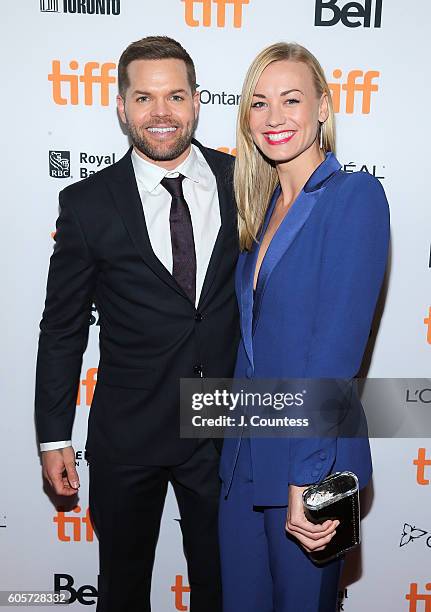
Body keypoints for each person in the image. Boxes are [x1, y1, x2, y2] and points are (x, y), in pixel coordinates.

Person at [35, 36, 239, 612]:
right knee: (122, 592)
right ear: (121, 107)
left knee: (224, 590)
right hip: (128, 433)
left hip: (225, 431)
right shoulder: (88, 204)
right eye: (144, 98)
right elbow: (63, 329)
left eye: (175, 95)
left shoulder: (245, 183)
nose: (161, 113)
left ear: (198, 101)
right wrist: (54, 437)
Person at [218, 42, 390, 611]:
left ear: (322, 107)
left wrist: (308, 476)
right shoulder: (261, 210)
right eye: (260, 103)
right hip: (244, 464)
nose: (275, 118)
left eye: (291, 100)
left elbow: (335, 354)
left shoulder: (354, 197)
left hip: (306, 464)